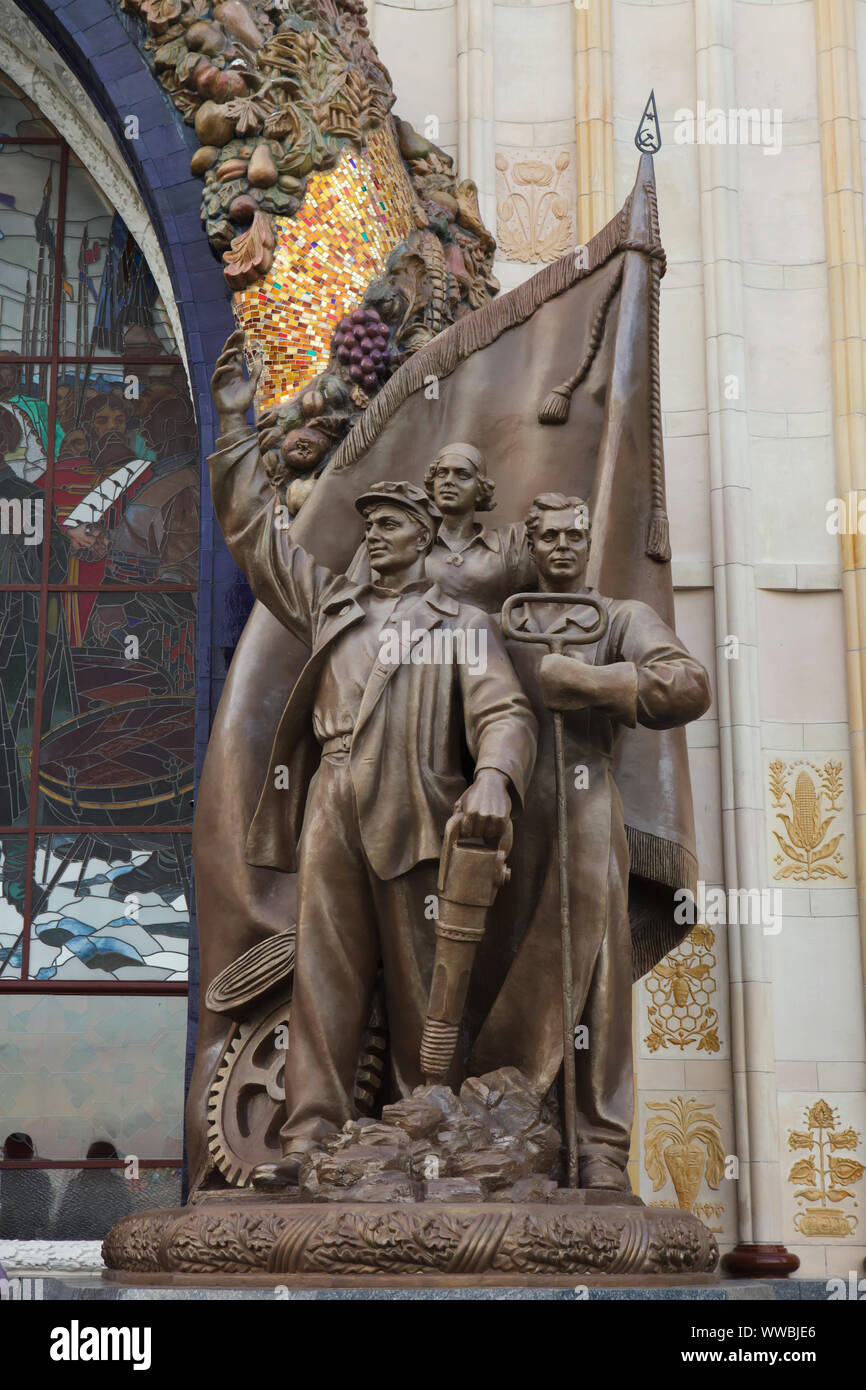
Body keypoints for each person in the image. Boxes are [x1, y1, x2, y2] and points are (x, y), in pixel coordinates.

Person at [207, 330, 538, 1188]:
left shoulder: (460, 625)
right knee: (325, 972)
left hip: (417, 806)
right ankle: (309, 1134)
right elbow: (257, 538)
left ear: (424, 537)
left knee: (429, 984)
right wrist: (237, 429)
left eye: (390, 525)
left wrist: (496, 778)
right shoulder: (334, 608)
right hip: (332, 795)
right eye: (371, 527)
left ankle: (427, 1132)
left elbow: (504, 713)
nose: (375, 537)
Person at [470, 494, 711, 1190]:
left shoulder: (621, 618)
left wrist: (594, 681)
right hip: (510, 809)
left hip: (586, 802)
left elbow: (687, 684)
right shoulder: (494, 623)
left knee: (597, 975)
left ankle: (598, 1142)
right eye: (547, 537)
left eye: (575, 535)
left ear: (589, 540)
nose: (563, 548)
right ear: (532, 544)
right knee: (503, 962)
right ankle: (497, 1118)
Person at [347, 441, 535, 613]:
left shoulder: (508, 545)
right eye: (441, 473)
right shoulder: (390, 539)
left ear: (480, 489)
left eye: (462, 475)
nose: (449, 481)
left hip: (481, 644)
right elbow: (352, 603)